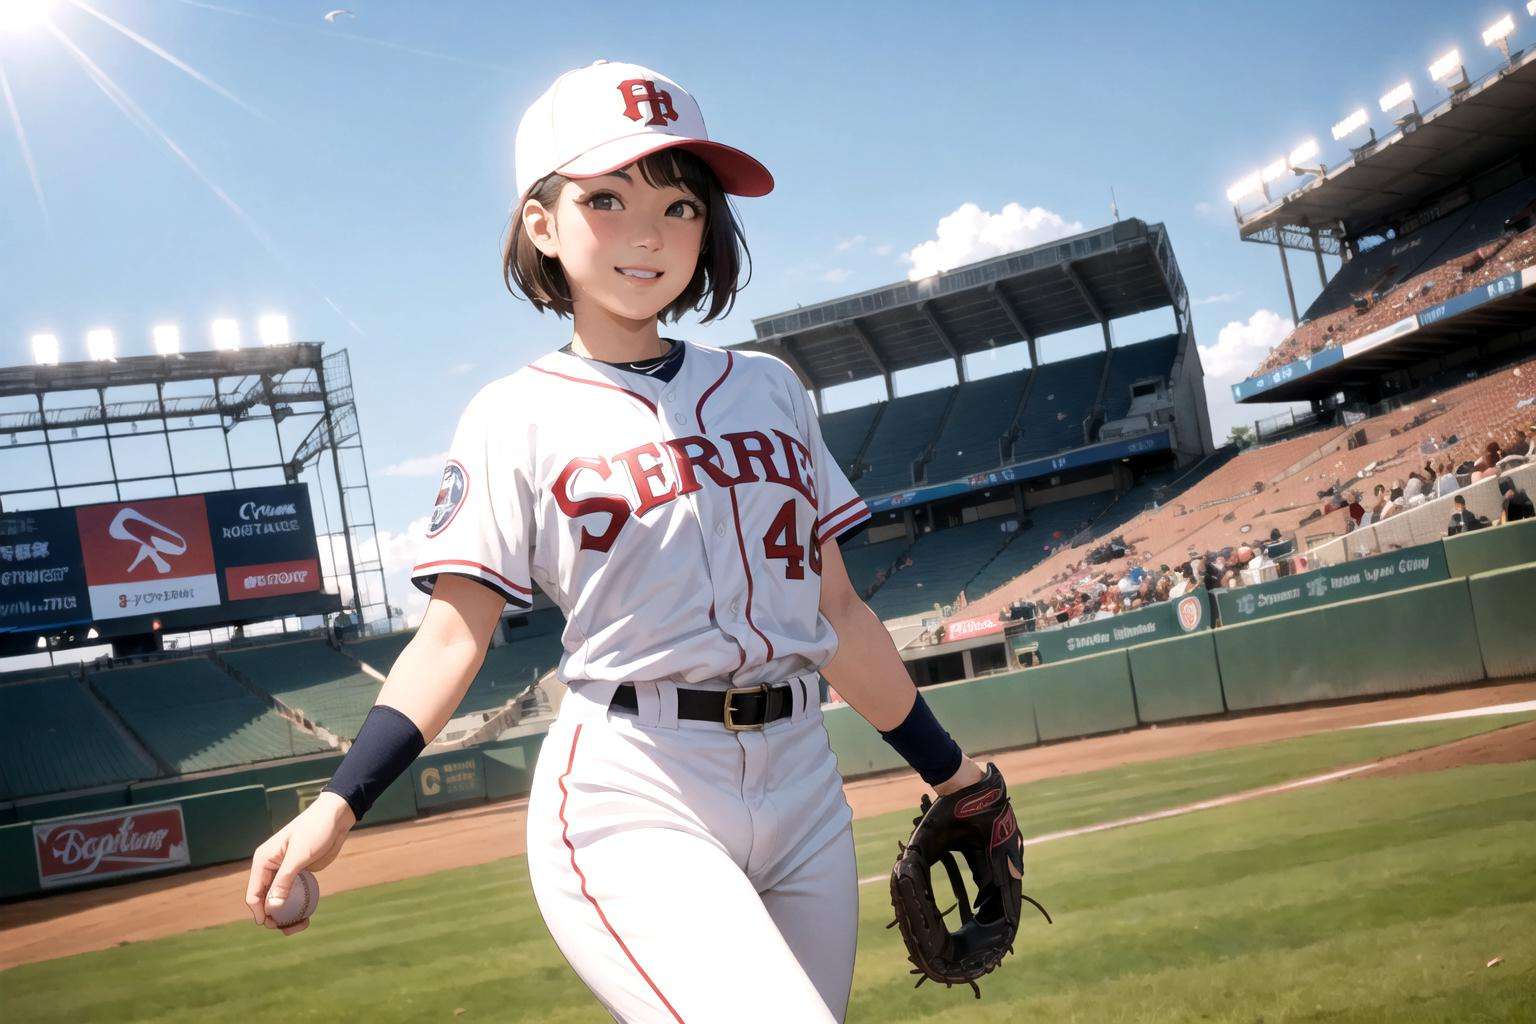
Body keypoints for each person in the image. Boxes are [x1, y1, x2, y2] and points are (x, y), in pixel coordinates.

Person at [240, 61, 1017, 1023]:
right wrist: (337, 805)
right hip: (636, 783)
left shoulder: (770, 387)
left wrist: (954, 772)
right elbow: (451, 638)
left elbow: (838, 613)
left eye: (681, 204)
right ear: (541, 224)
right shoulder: (512, 415)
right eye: (606, 198)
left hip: (804, 780)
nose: (648, 234)